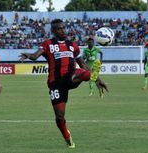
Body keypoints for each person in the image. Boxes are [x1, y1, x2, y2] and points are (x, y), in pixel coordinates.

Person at [19, 19, 108, 149]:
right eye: (59, 29)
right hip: (56, 83)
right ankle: (68, 139)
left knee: (80, 73)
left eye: (63, 28)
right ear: (53, 31)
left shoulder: (72, 45)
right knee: (59, 117)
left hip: (71, 75)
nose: (63, 30)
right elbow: (35, 56)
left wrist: (98, 79)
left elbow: (82, 63)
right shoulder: (48, 44)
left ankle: (91, 76)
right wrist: (28, 55)